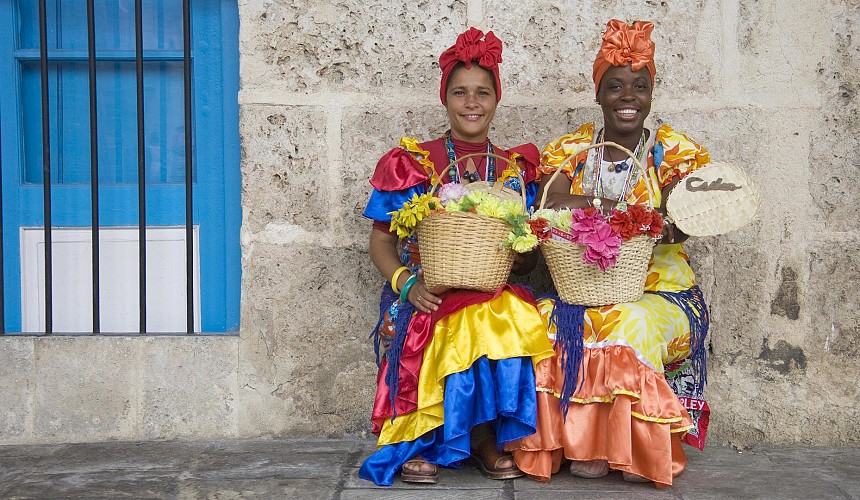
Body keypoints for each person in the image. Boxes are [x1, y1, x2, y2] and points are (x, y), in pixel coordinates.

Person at [506, 19, 711, 487]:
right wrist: (620, 209)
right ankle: (564, 444)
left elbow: (685, 218)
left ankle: (612, 447)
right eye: (614, 86)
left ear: (651, 95)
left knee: (626, 321)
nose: (628, 96)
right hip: (582, 288)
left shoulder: (667, 153)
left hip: (663, 293)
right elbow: (552, 202)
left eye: (640, 86)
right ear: (598, 94)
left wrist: (650, 222)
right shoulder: (577, 151)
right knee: (541, 321)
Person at [358, 27, 555, 486]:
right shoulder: (416, 163)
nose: (472, 103)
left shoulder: (514, 169)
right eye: (460, 92)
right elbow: (381, 240)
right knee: (459, 317)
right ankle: (423, 438)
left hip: (487, 287)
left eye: (483, 93)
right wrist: (407, 283)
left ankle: (485, 436)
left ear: (496, 100)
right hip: (428, 289)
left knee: (505, 313)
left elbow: (524, 259)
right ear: (444, 98)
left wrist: (517, 253)